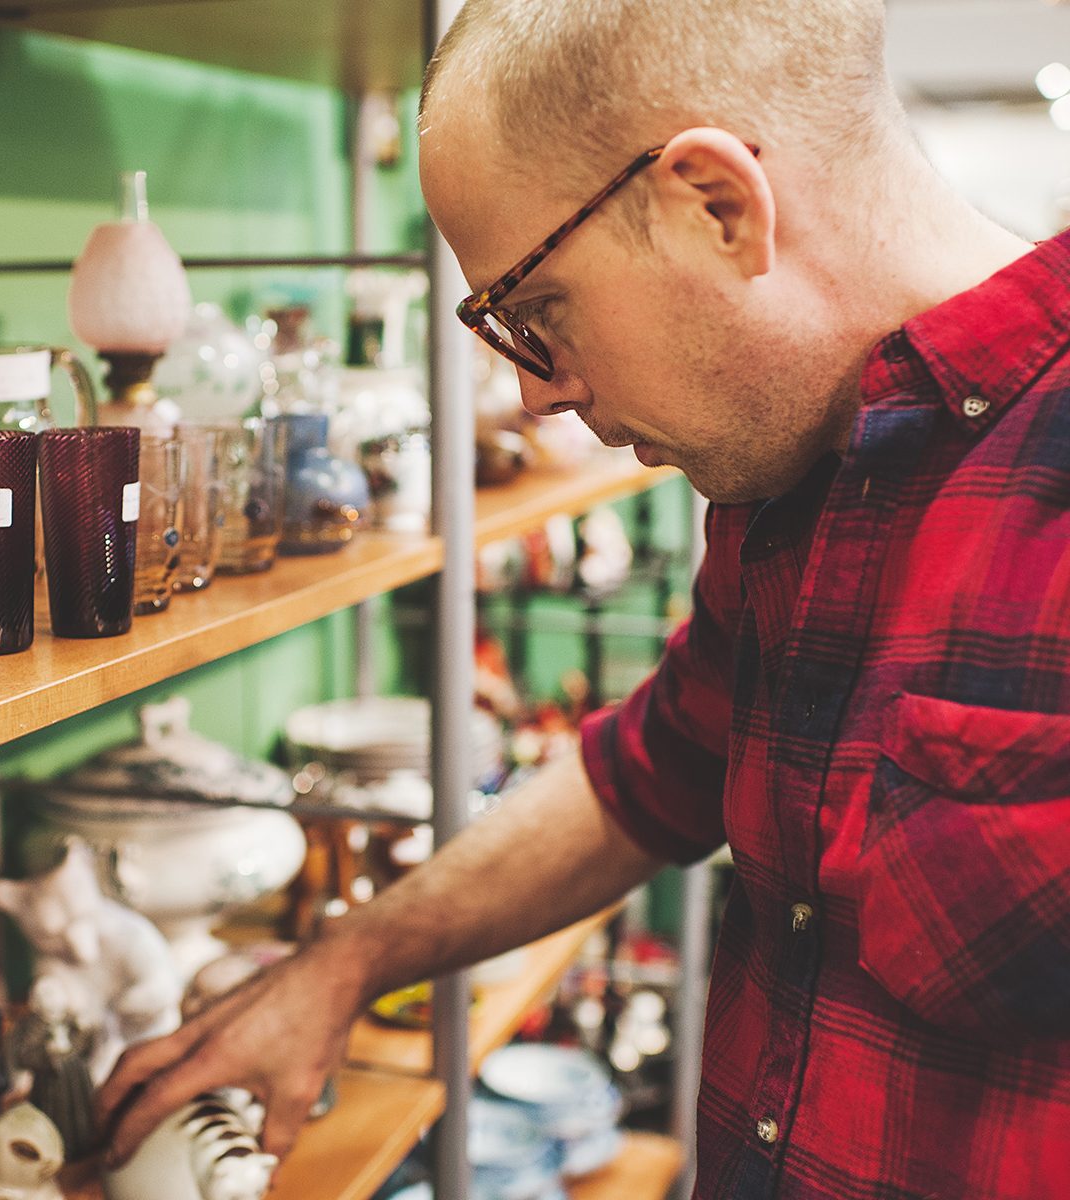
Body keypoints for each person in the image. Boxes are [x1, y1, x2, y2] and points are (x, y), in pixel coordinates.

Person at [98, 1, 1070, 1195]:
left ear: (716, 204)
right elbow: (649, 774)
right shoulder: (788, 473)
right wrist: (340, 968)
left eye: (537, 314)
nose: (534, 398)